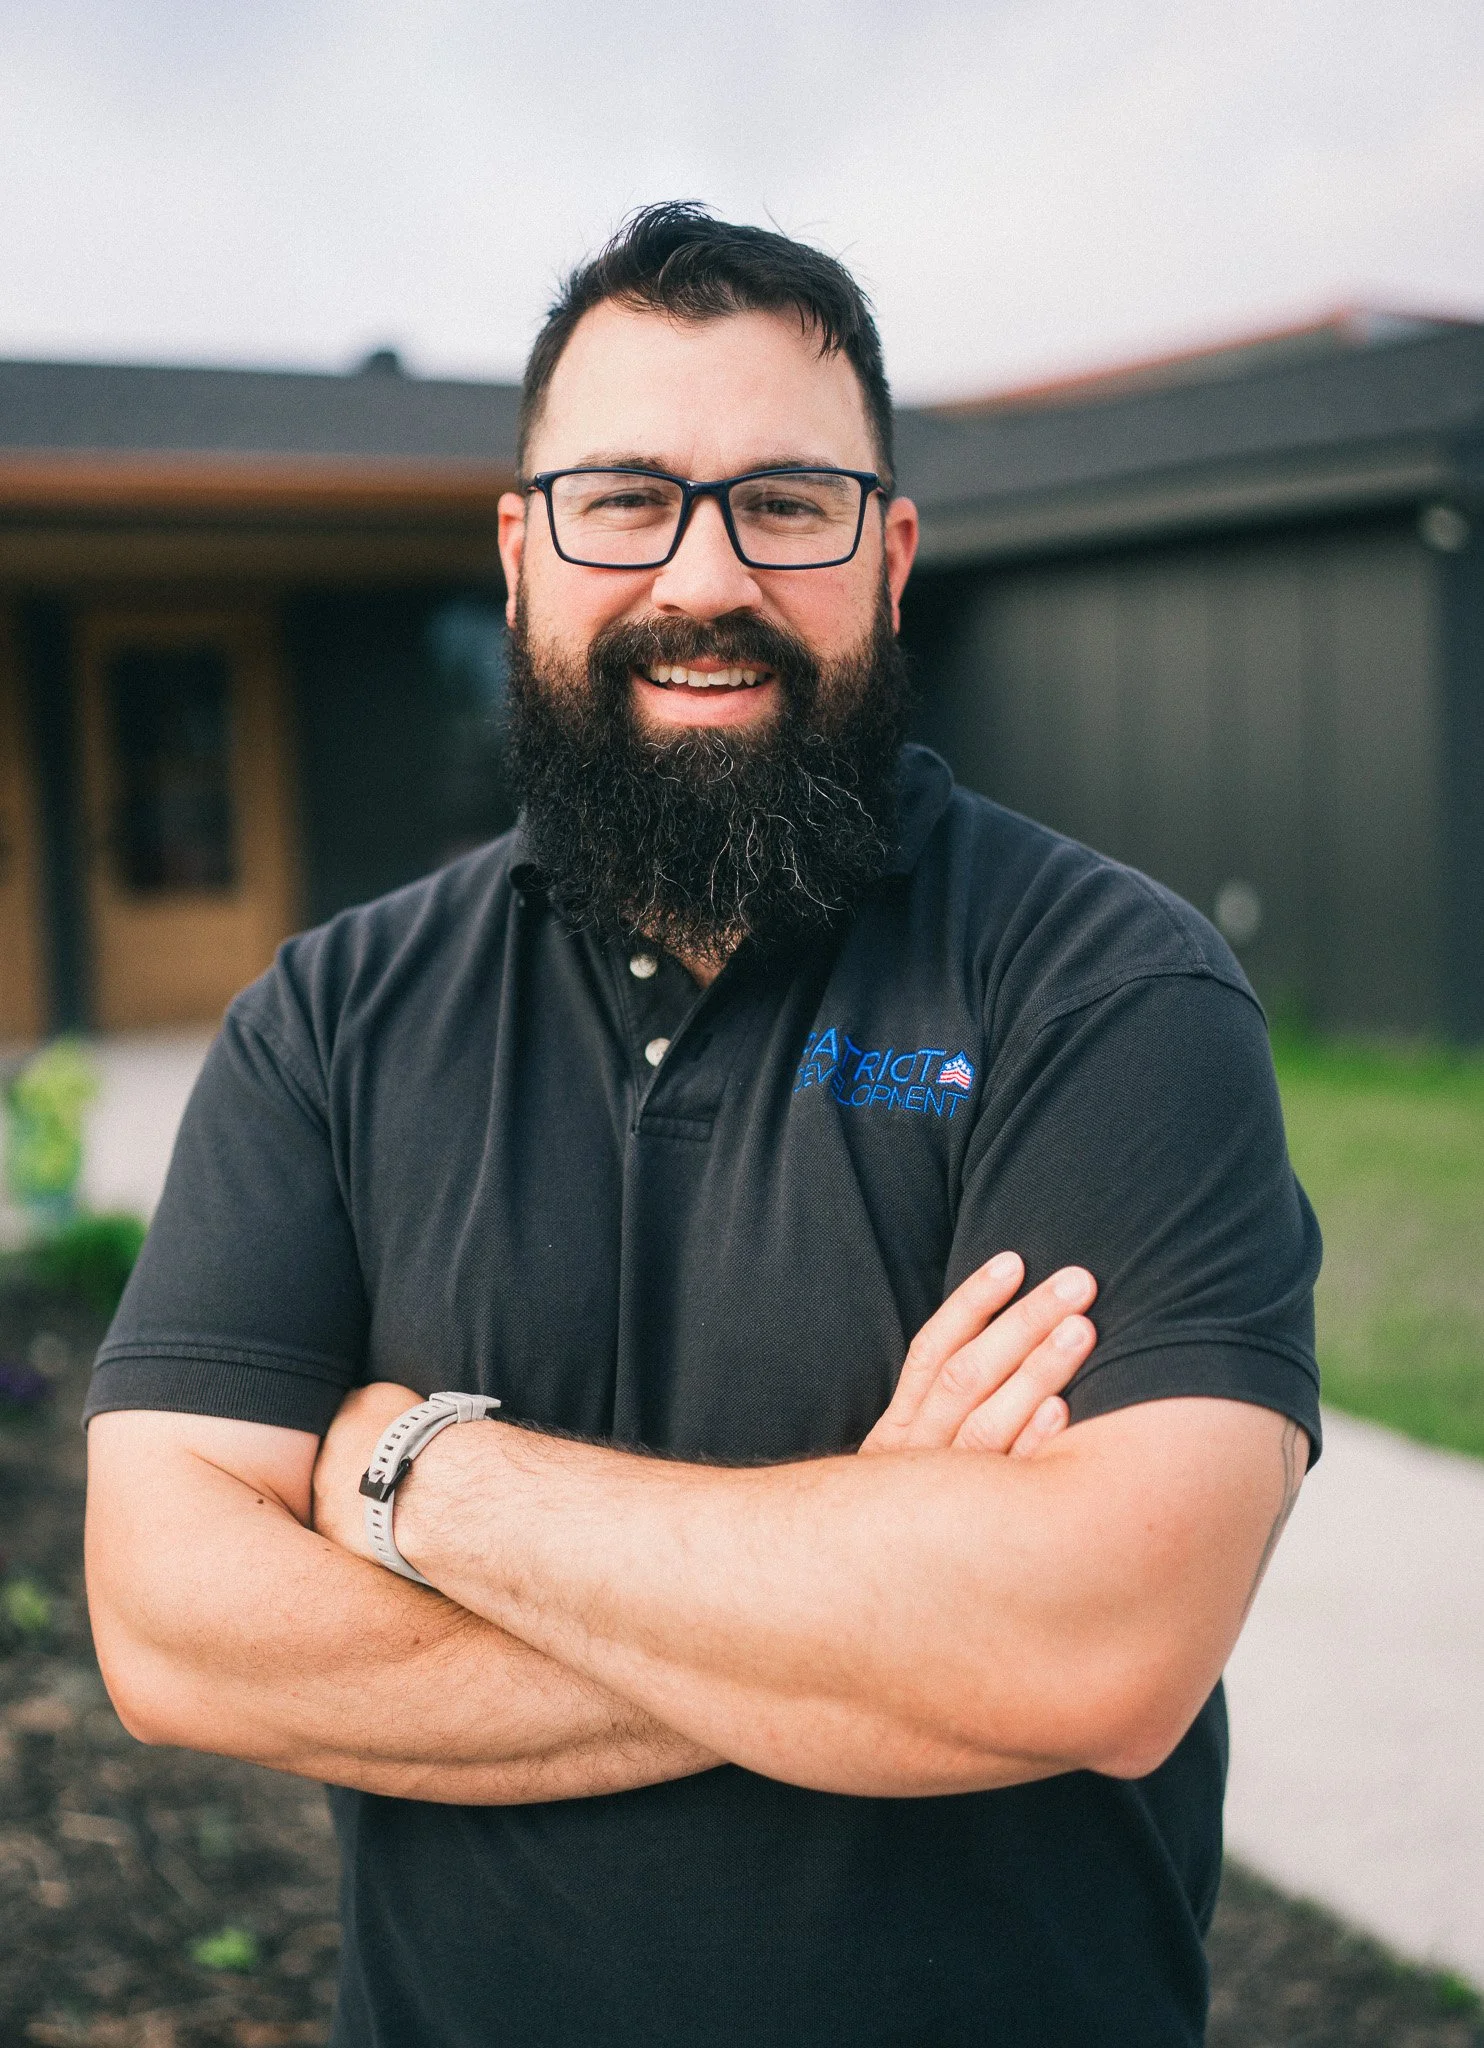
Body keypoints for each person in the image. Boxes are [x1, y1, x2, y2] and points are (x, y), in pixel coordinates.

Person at [84, 204, 1321, 2048]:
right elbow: (171, 1627)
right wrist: (874, 1607)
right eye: (625, 499)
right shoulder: (332, 1022)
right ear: (520, 554)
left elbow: (1097, 1649)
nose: (702, 574)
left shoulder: (1103, 994)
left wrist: (415, 1476)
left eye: (789, 502)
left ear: (890, 555)